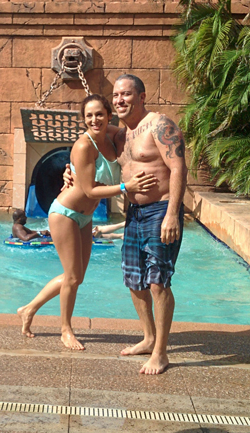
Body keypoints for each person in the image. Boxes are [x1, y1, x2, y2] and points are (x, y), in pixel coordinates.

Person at [17, 94, 157, 350]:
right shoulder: (84, 145)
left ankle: (28, 309)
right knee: (71, 277)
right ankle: (65, 330)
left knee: (76, 277)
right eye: (89, 116)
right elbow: (91, 190)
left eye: (99, 114)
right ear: (83, 120)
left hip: (85, 216)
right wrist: (127, 187)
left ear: (108, 115)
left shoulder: (112, 136)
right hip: (65, 214)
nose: (95, 119)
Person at [112, 74, 187, 375]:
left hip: (159, 211)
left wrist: (172, 213)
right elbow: (88, 142)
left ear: (141, 97)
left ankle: (161, 353)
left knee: (158, 282)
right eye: (116, 95)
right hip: (134, 213)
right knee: (134, 280)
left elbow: (178, 166)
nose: (120, 100)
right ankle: (148, 337)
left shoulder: (160, 125)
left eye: (126, 95)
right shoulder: (122, 135)